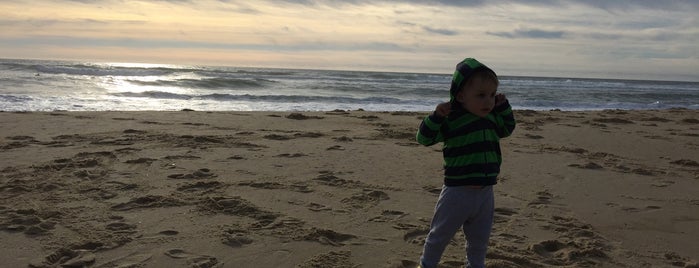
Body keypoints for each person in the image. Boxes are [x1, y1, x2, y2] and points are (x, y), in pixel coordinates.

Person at [415, 58, 516, 268]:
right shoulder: (452, 121)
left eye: (491, 95)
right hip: (457, 192)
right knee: (439, 235)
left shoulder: (492, 119)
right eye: (480, 95)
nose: (488, 101)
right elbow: (423, 138)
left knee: (479, 241)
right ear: (460, 96)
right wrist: (436, 117)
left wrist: (504, 107)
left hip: (486, 192)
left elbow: (508, 129)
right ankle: (427, 264)